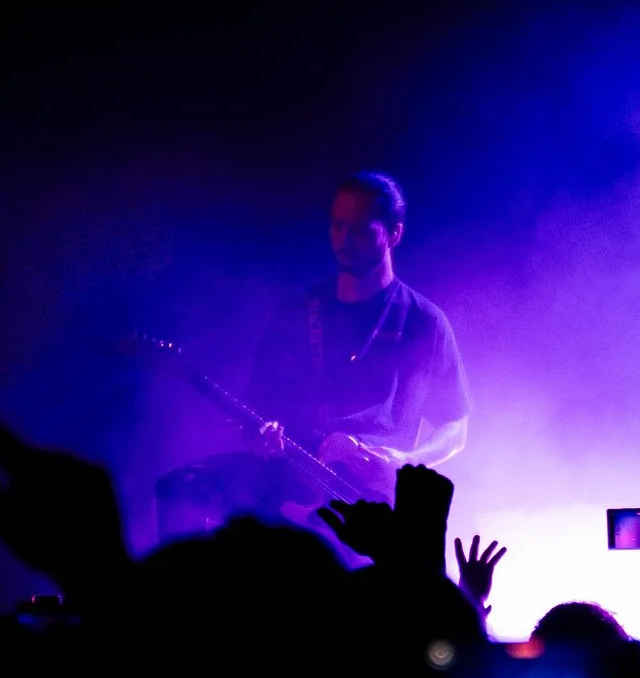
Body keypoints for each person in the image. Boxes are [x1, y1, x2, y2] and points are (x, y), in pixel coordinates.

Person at [157, 172, 470, 534]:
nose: (344, 240)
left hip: (370, 501)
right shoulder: (299, 310)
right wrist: (260, 438)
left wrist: (407, 462)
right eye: (337, 227)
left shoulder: (424, 321)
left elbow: (455, 426)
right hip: (293, 478)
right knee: (180, 489)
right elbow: (257, 408)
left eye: (361, 230)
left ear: (394, 233)